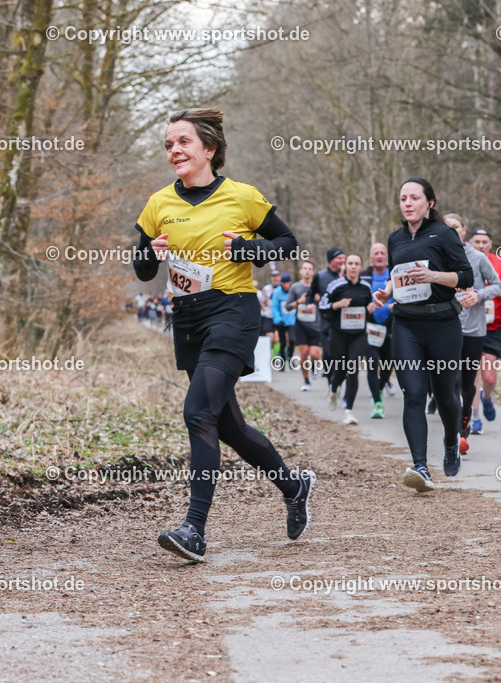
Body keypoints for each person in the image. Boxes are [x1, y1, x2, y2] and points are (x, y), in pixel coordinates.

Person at [132, 107, 315, 562]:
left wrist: (251, 248)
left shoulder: (242, 196)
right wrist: (150, 254)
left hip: (233, 313)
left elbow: (288, 242)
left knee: (198, 412)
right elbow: (140, 269)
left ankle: (194, 529)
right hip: (189, 318)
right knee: (228, 425)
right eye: (169, 144)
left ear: (209, 149)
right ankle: (294, 487)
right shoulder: (159, 204)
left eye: (183, 142)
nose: (174, 150)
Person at [373, 178, 472, 489]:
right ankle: (420, 467)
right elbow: (397, 274)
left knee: (445, 395)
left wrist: (434, 276)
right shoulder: (395, 238)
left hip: (443, 324)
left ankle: (451, 442)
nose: (407, 203)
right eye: (403, 198)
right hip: (406, 324)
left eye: (414, 197)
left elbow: (465, 276)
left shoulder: (444, 234)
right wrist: (386, 291)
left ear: (429, 202)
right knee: (413, 394)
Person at [442, 213, 501, 454]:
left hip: (474, 331)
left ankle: (463, 428)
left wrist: (478, 295)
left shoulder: (477, 258)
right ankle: (455, 436)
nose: (451, 231)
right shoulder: (437, 258)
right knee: (451, 383)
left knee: (467, 386)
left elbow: (497, 285)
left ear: (464, 230)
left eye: (455, 227)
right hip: (445, 328)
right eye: (446, 228)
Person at [320, 254, 379, 425]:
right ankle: (333, 388)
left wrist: (370, 309)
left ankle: (349, 411)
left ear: (360, 266)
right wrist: (336, 305)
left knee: (353, 369)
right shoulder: (335, 285)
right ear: (345, 266)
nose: (353, 266)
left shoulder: (366, 286)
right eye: (350, 263)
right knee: (340, 371)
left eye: (357, 263)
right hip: (338, 334)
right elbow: (322, 305)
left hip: (359, 334)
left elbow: (370, 306)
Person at [469, 227, 501, 431]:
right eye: (477, 241)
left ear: (490, 244)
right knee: (471, 375)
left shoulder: (500, 263)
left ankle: (486, 397)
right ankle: (474, 418)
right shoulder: (464, 262)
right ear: (471, 242)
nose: (480, 245)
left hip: (493, 326)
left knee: (489, 377)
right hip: (470, 324)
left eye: (484, 242)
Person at [360, 243, 394, 417]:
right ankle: (377, 403)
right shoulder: (363, 277)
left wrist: (397, 305)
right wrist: (365, 307)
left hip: (391, 326)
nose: (379, 256)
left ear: (387, 257)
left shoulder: (394, 274)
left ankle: (380, 388)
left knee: (388, 364)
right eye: (376, 253)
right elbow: (354, 300)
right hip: (370, 327)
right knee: (372, 364)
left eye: (382, 253)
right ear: (371, 257)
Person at [312, 247, 344, 398]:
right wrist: (315, 300)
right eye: (340, 258)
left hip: (344, 323)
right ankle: (331, 385)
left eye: (344, 258)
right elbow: (310, 294)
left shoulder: (348, 276)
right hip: (326, 323)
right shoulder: (320, 276)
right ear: (331, 260)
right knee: (328, 355)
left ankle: (339, 383)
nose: (343, 261)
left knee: (342, 355)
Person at [286, 260, 321, 391]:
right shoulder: (295, 287)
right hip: (301, 325)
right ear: (300, 271)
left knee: (315, 354)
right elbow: (288, 306)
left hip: (316, 325)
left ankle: (314, 366)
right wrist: (298, 302)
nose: (307, 271)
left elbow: (326, 304)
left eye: (309, 268)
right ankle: (306, 380)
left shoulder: (318, 287)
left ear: (313, 272)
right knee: (304, 353)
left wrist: (319, 299)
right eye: (304, 268)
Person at [270, 272, 295, 369]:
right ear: (282, 283)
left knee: (292, 340)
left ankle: (290, 358)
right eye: (284, 283)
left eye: (288, 283)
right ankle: (283, 362)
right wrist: (278, 319)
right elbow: (274, 307)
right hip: (281, 321)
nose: (286, 285)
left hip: (292, 320)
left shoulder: (293, 291)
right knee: (283, 343)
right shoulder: (277, 292)